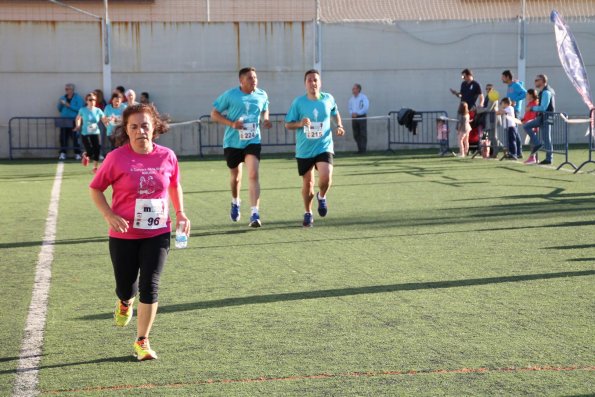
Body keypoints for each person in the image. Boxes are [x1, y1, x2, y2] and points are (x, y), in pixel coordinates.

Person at [89, 103, 190, 361]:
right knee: (126, 287)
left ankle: (142, 340)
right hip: (123, 234)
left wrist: (180, 213)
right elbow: (96, 188)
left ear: (154, 127)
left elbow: (175, 185)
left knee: (150, 285)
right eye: (134, 127)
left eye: (145, 125)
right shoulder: (116, 158)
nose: (140, 131)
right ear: (127, 130)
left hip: (157, 234)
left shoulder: (167, 156)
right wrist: (109, 215)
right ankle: (124, 301)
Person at [211, 67, 272, 227]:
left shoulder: (262, 94)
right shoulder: (230, 95)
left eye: (255, 78)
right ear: (241, 81)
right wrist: (232, 124)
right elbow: (214, 114)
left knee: (253, 174)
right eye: (250, 78)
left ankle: (254, 213)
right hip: (233, 142)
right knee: (236, 177)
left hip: (252, 141)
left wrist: (265, 119)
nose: (254, 81)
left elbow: (265, 108)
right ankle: (235, 201)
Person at [285, 69, 345, 227]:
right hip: (305, 149)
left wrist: (339, 125)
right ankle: (308, 212)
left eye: (315, 80)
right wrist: (300, 123)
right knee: (308, 183)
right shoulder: (298, 102)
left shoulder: (328, 99)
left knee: (326, 177)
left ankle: (322, 196)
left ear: (320, 82)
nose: (313, 83)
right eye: (310, 80)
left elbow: (335, 112)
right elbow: (288, 124)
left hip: (324, 145)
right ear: (305, 84)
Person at [522, 74, 556, 165]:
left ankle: (549, 159)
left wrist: (532, 108)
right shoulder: (544, 91)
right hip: (542, 117)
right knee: (527, 126)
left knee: (546, 138)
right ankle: (537, 144)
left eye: (537, 80)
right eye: (535, 80)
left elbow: (543, 107)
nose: (535, 81)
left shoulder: (546, 92)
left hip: (547, 117)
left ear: (543, 81)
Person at [75, 92, 105, 173]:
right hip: (85, 133)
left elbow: (104, 119)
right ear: (87, 101)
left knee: (97, 150)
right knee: (90, 152)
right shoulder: (83, 110)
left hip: (96, 132)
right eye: (90, 100)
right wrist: (78, 125)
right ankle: (86, 154)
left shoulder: (98, 110)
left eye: (94, 100)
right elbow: (78, 118)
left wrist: (109, 123)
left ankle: (95, 168)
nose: (92, 101)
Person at [57, 83, 84, 161]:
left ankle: (77, 153)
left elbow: (80, 109)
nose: (66, 90)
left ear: (72, 90)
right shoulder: (63, 97)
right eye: (65, 89)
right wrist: (61, 104)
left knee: (75, 137)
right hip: (64, 120)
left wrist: (69, 105)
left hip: (74, 120)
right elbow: (59, 109)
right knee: (63, 137)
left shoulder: (78, 98)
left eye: (68, 89)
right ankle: (63, 153)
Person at [348, 83, 369, 154]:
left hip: (361, 117)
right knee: (356, 134)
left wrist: (358, 113)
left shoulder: (363, 97)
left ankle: (363, 150)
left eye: (354, 88)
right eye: (353, 89)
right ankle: (359, 149)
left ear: (358, 89)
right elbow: (350, 108)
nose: (353, 90)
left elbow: (365, 107)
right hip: (354, 118)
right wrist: (352, 113)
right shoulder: (351, 99)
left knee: (363, 133)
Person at [522, 89, 540, 164]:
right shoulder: (530, 103)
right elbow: (527, 115)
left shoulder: (534, 104)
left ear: (531, 95)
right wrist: (523, 119)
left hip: (532, 126)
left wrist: (527, 121)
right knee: (532, 142)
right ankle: (534, 158)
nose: (526, 96)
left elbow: (533, 116)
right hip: (529, 124)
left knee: (533, 143)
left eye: (527, 94)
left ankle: (533, 158)